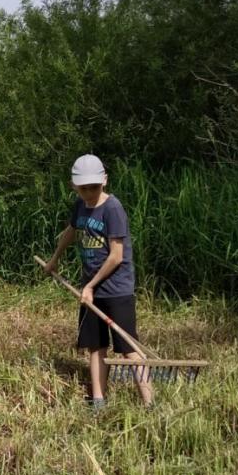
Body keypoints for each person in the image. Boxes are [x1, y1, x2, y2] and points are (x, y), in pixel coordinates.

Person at [43, 153, 153, 408]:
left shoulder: (112, 209)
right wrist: (54, 259)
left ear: (104, 180)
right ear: (74, 186)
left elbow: (116, 256)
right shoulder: (81, 206)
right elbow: (71, 231)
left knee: (128, 347)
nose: (88, 192)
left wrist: (90, 286)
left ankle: (150, 403)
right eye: (83, 188)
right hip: (90, 289)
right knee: (95, 345)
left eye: (93, 187)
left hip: (116, 290)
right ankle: (98, 401)